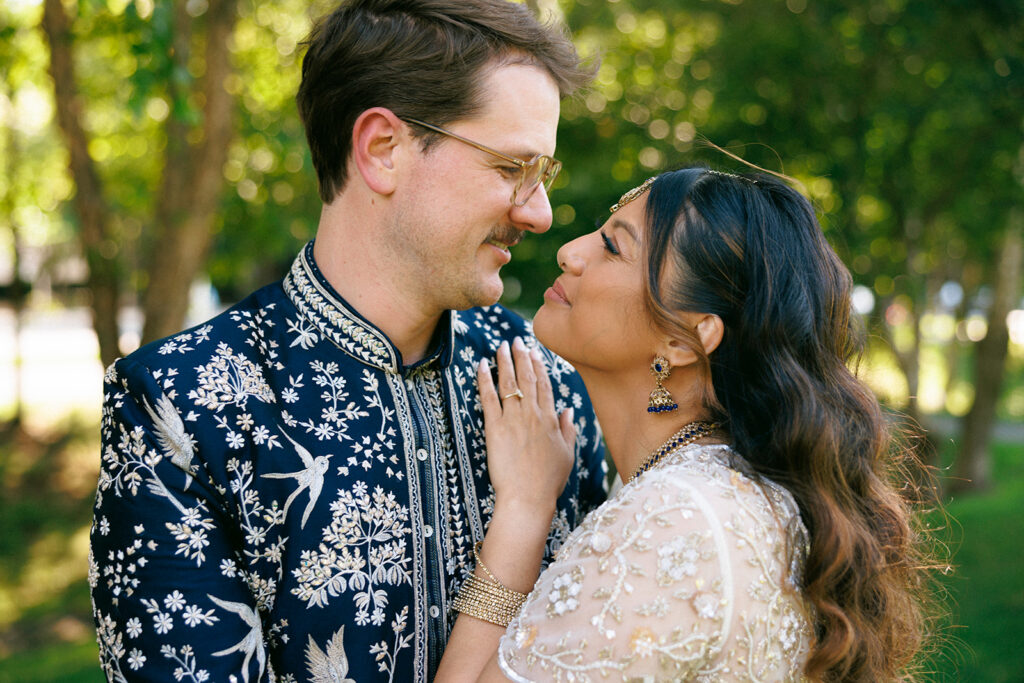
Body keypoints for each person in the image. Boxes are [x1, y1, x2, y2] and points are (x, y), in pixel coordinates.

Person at [88, 1, 608, 681]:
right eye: (512, 167)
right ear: (382, 150)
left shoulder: (550, 379)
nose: (538, 212)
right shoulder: (178, 408)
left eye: (544, 173)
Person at [434, 167, 935, 681]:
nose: (570, 252)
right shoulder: (746, 494)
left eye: (612, 247)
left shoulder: (671, 518)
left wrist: (524, 507)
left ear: (684, 341)